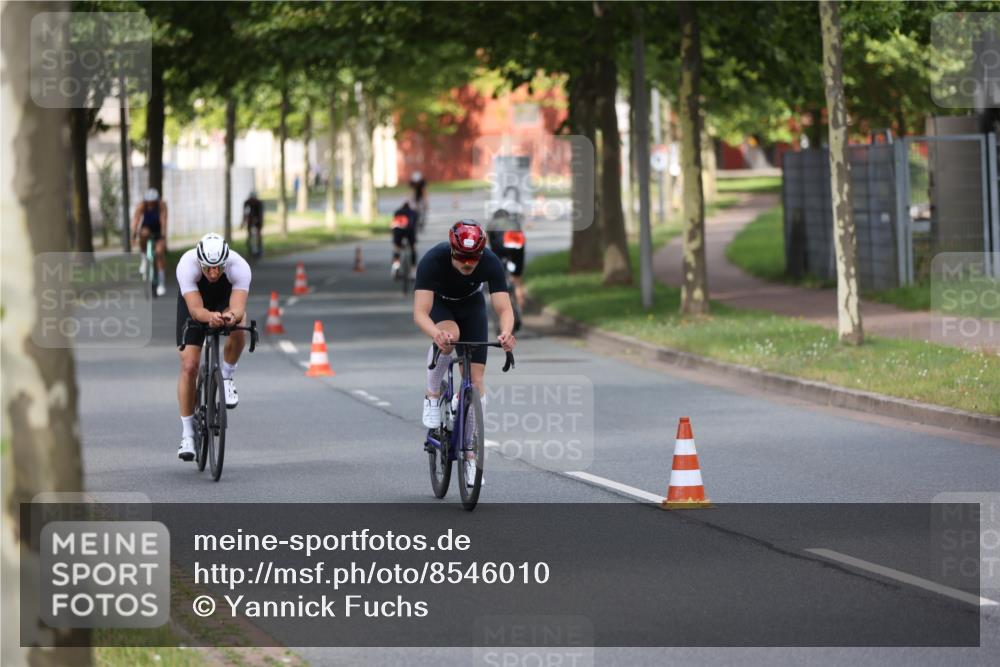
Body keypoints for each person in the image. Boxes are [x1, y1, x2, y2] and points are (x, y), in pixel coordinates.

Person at [413, 220, 516, 486]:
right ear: (451, 250)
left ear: (481, 254)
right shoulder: (433, 260)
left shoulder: (490, 261)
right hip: (441, 306)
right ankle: (433, 395)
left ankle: (470, 456)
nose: (468, 263)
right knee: (450, 336)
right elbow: (420, 312)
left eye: (473, 258)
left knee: (477, 382)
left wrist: (506, 333)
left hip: (471, 306)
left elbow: (504, 308)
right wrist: (436, 334)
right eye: (461, 257)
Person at [175, 233, 252, 461]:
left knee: (240, 326)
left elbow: (237, 308)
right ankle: (187, 434)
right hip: (196, 303)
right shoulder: (186, 266)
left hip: (224, 300)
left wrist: (230, 316)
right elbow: (196, 310)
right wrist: (209, 317)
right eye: (208, 268)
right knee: (189, 366)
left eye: (218, 267)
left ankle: (227, 377)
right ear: (200, 263)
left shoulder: (240, 267)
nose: (213, 273)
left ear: (225, 262)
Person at [485, 208, 526, 314]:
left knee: (495, 275)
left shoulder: (492, 223)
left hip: (500, 249)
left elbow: (488, 241)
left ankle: (495, 304)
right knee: (517, 279)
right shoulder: (514, 222)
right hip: (517, 248)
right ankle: (520, 306)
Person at [132, 188, 169, 296]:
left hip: (158, 231)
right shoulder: (141, 206)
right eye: (149, 202)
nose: (151, 204)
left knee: (159, 253)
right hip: (146, 228)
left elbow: (163, 220)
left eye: (153, 202)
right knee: (143, 234)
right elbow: (136, 220)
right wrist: (134, 234)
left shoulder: (162, 205)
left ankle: (161, 284)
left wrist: (163, 236)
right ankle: (144, 258)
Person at [391, 200, 419, 279]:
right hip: (409, 230)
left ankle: (395, 267)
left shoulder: (397, 212)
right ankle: (413, 271)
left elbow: (394, 222)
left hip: (397, 230)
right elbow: (415, 225)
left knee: (397, 248)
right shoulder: (413, 212)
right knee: (413, 248)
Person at [241, 190, 264, 258]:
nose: (252, 200)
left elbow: (260, 214)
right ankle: (250, 249)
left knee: (258, 235)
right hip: (250, 221)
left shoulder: (259, 203)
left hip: (258, 221)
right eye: (251, 199)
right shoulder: (247, 203)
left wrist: (260, 224)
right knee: (249, 235)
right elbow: (245, 213)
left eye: (254, 199)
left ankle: (259, 249)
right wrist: (243, 222)